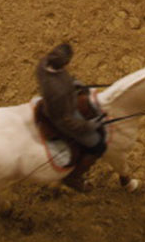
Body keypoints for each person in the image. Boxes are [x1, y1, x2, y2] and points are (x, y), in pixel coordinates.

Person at [35, 42, 107, 193]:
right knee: (98, 145)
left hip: (59, 101)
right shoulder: (58, 91)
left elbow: (60, 79)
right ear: (64, 63)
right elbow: (65, 120)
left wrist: (72, 83)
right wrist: (88, 126)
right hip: (63, 115)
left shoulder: (43, 63)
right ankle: (73, 178)